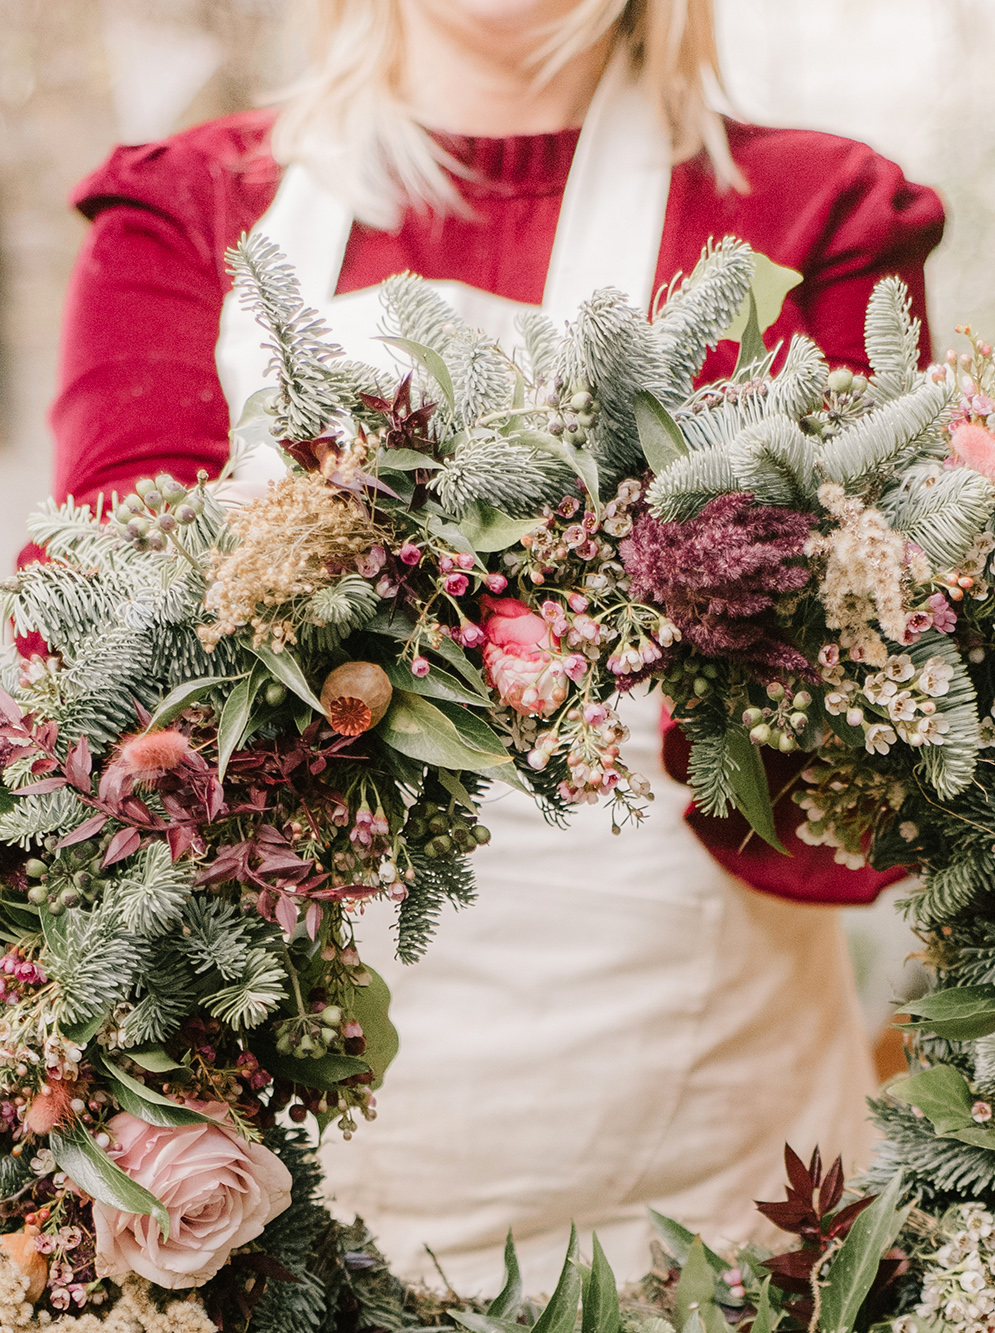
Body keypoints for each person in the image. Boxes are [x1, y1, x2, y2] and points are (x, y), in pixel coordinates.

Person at [47, 0, 945, 1294]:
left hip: (712, 1151)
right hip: (287, 1144)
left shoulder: (812, 218)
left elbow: (854, 786)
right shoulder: (189, 211)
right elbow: (93, 662)